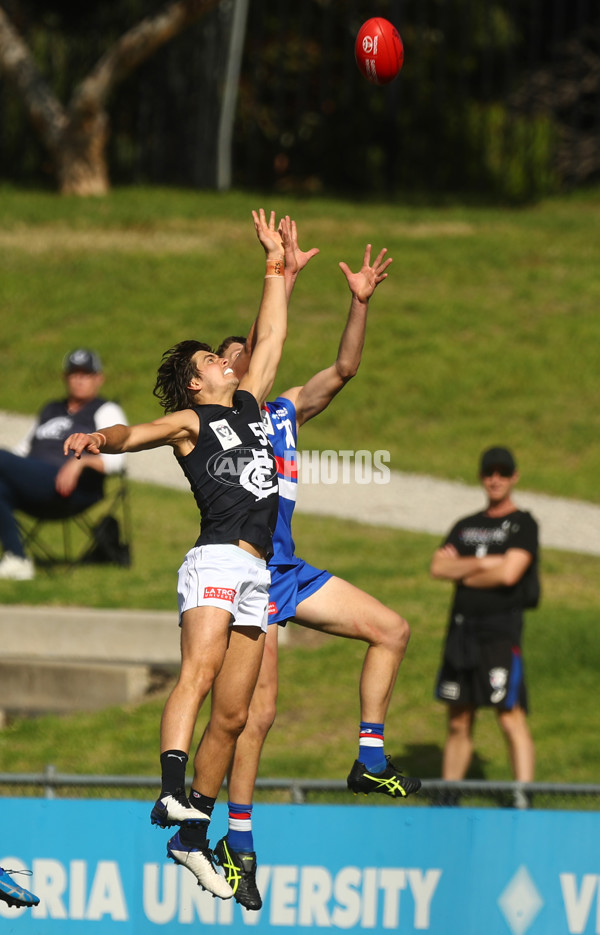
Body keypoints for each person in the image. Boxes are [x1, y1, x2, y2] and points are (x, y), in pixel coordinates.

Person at [64, 209, 291, 901]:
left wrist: (275, 265)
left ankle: (192, 835)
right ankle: (171, 793)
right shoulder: (196, 419)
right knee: (198, 670)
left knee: (237, 710)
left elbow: (274, 333)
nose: (227, 360)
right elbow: (141, 429)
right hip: (216, 559)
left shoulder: (251, 403)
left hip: (256, 570)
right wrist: (102, 440)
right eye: (210, 361)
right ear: (196, 383)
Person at [211, 231, 421, 910]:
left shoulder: (287, 409)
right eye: (233, 357)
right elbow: (259, 339)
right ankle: (238, 845)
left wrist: (358, 303)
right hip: (250, 575)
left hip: (289, 569)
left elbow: (346, 367)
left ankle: (369, 756)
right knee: (257, 714)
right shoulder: (229, 417)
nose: (246, 360)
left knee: (392, 628)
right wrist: (277, 276)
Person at [430, 446, 539, 808]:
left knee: (509, 716)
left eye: (503, 472)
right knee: (459, 719)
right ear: (481, 477)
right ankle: (448, 798)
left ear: (514, 477)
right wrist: (488, 564)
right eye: (489, 472)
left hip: (500, 633)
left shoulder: (523, 523)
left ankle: (524, 797)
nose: (495, 479)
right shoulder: (466, 525)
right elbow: (438, 568)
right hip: (462, 632)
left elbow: (512, 573)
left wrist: (466, 567)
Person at [0, 348, 127, 580]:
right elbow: (21, 451)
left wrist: (80, 464)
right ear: (65, 378)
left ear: (99, 378)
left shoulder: (105, 410)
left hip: (72, 489)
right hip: (35, 482)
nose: (79, 379)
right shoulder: (51, 409)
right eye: (73, 373)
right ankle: (17, 559)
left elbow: (116, 462)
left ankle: (17, 560)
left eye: (86, 374)